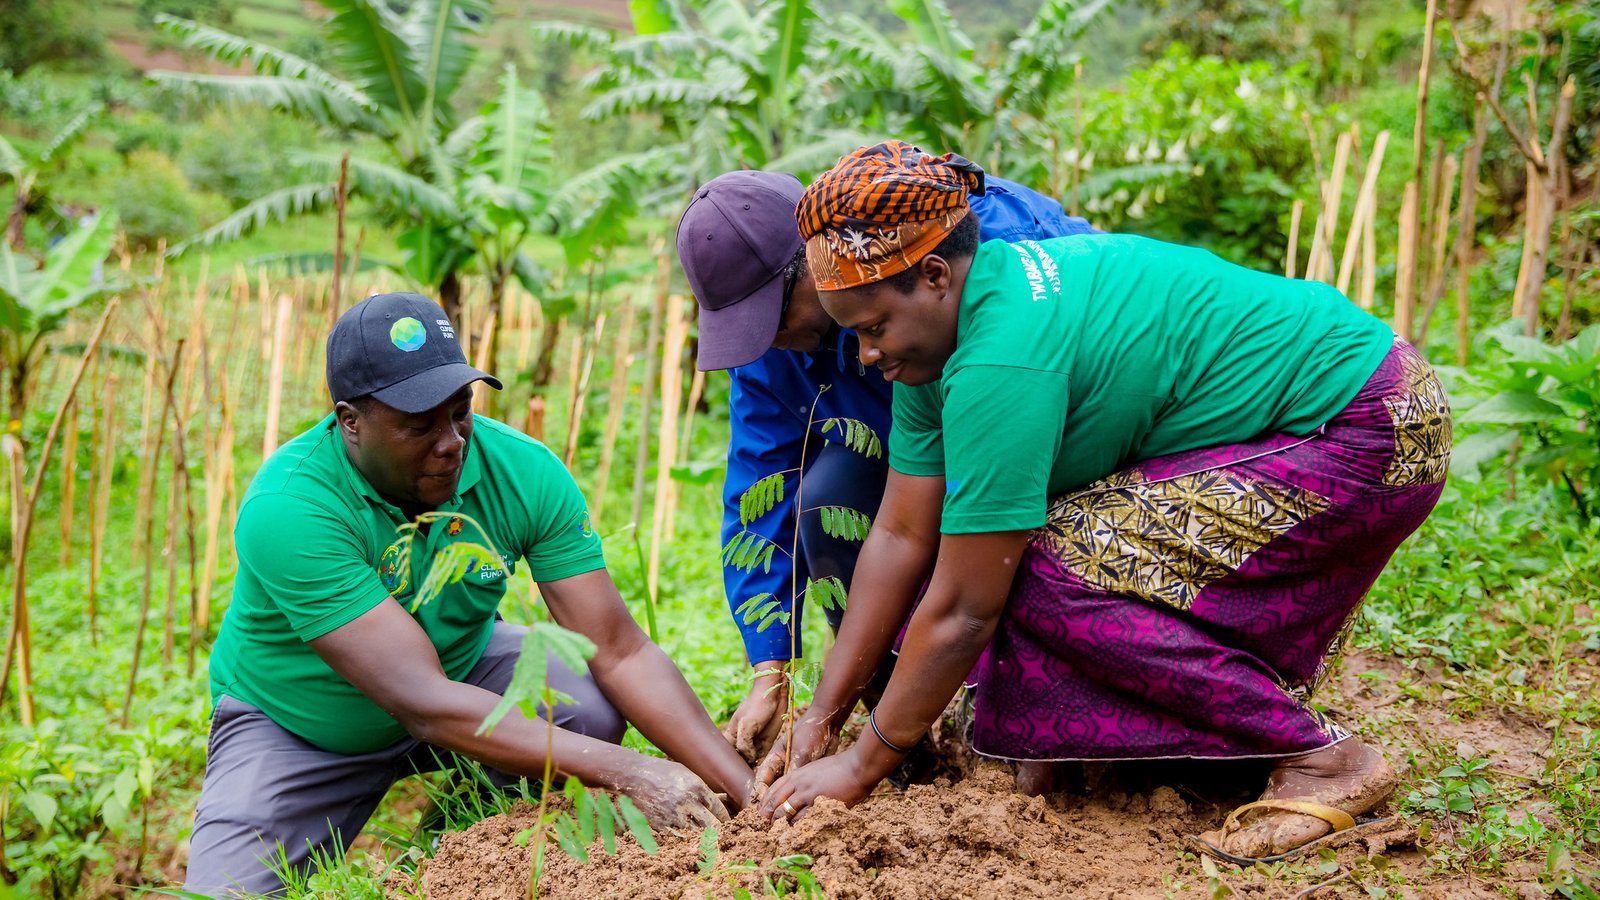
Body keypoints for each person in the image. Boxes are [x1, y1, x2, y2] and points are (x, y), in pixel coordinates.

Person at [756, 141, 1451, 862]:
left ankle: (1324, 759)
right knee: (1025, 552)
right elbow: (900, 534)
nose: (866, 355)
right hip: (1314, 419)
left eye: (872, 329)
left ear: (934, 275)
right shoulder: (939, 344)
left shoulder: (1003, 353)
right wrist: (822, 717)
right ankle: (1141, 743)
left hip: (1372, 422)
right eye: (854, 335)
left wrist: (864, 766)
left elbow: (967, 608)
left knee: (1042, 568)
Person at [185, 292, 754, 897]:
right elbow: (422, 701)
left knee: (582, 702)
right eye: (419, 424)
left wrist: (745, 793)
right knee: (223, 893)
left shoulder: (521, 470)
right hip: (301, 724)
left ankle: (465, 851)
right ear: (350, 422)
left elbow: (620, 651)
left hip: (463, 669)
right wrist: (632, 770)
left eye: (461, 412)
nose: (452, 441)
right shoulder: (291, 507)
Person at [676, 164, 1098, 763]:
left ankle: (1027, 714)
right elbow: (761, 484)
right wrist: (770, 667)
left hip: (1048, 427)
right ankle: (902, 730)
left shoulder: (973, 246)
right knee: (827, 502)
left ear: (820, 261)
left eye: (771, 318)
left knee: (1016, 547)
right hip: (909, 457)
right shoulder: (769, 347)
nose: (765, 341)